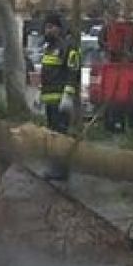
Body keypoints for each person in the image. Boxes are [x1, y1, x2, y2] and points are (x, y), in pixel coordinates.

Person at [40, 14, 81, 181]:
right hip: (49, 100)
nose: (48, 30)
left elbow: (73, 72)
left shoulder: (68, 47)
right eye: (46, 27)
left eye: (51, 27)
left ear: (59, 28)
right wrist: (39, 91)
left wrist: (68, 95)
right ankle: (55, 168)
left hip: (61, 99)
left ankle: (62, 170)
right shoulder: (49, 48)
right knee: (52, 136)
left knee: (61, 135)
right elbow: (46, 73)